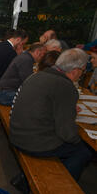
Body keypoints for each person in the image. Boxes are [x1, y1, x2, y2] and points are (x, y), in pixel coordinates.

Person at [10, 48, 93, 181]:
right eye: (83, 71)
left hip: (16, 135)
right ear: (75, 70)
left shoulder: (37, 75)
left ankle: (25, 179)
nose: (81, 75)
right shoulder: (66, 87)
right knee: (84, 151)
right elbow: (67, 133)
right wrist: (80, 140)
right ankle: (62, 185)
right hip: (33, 143)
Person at [0, 28, 28, 95]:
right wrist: (19, 54)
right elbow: (15, 72)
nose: (22, 46)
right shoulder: (11, 52)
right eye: (23, 43)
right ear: (18, 39)